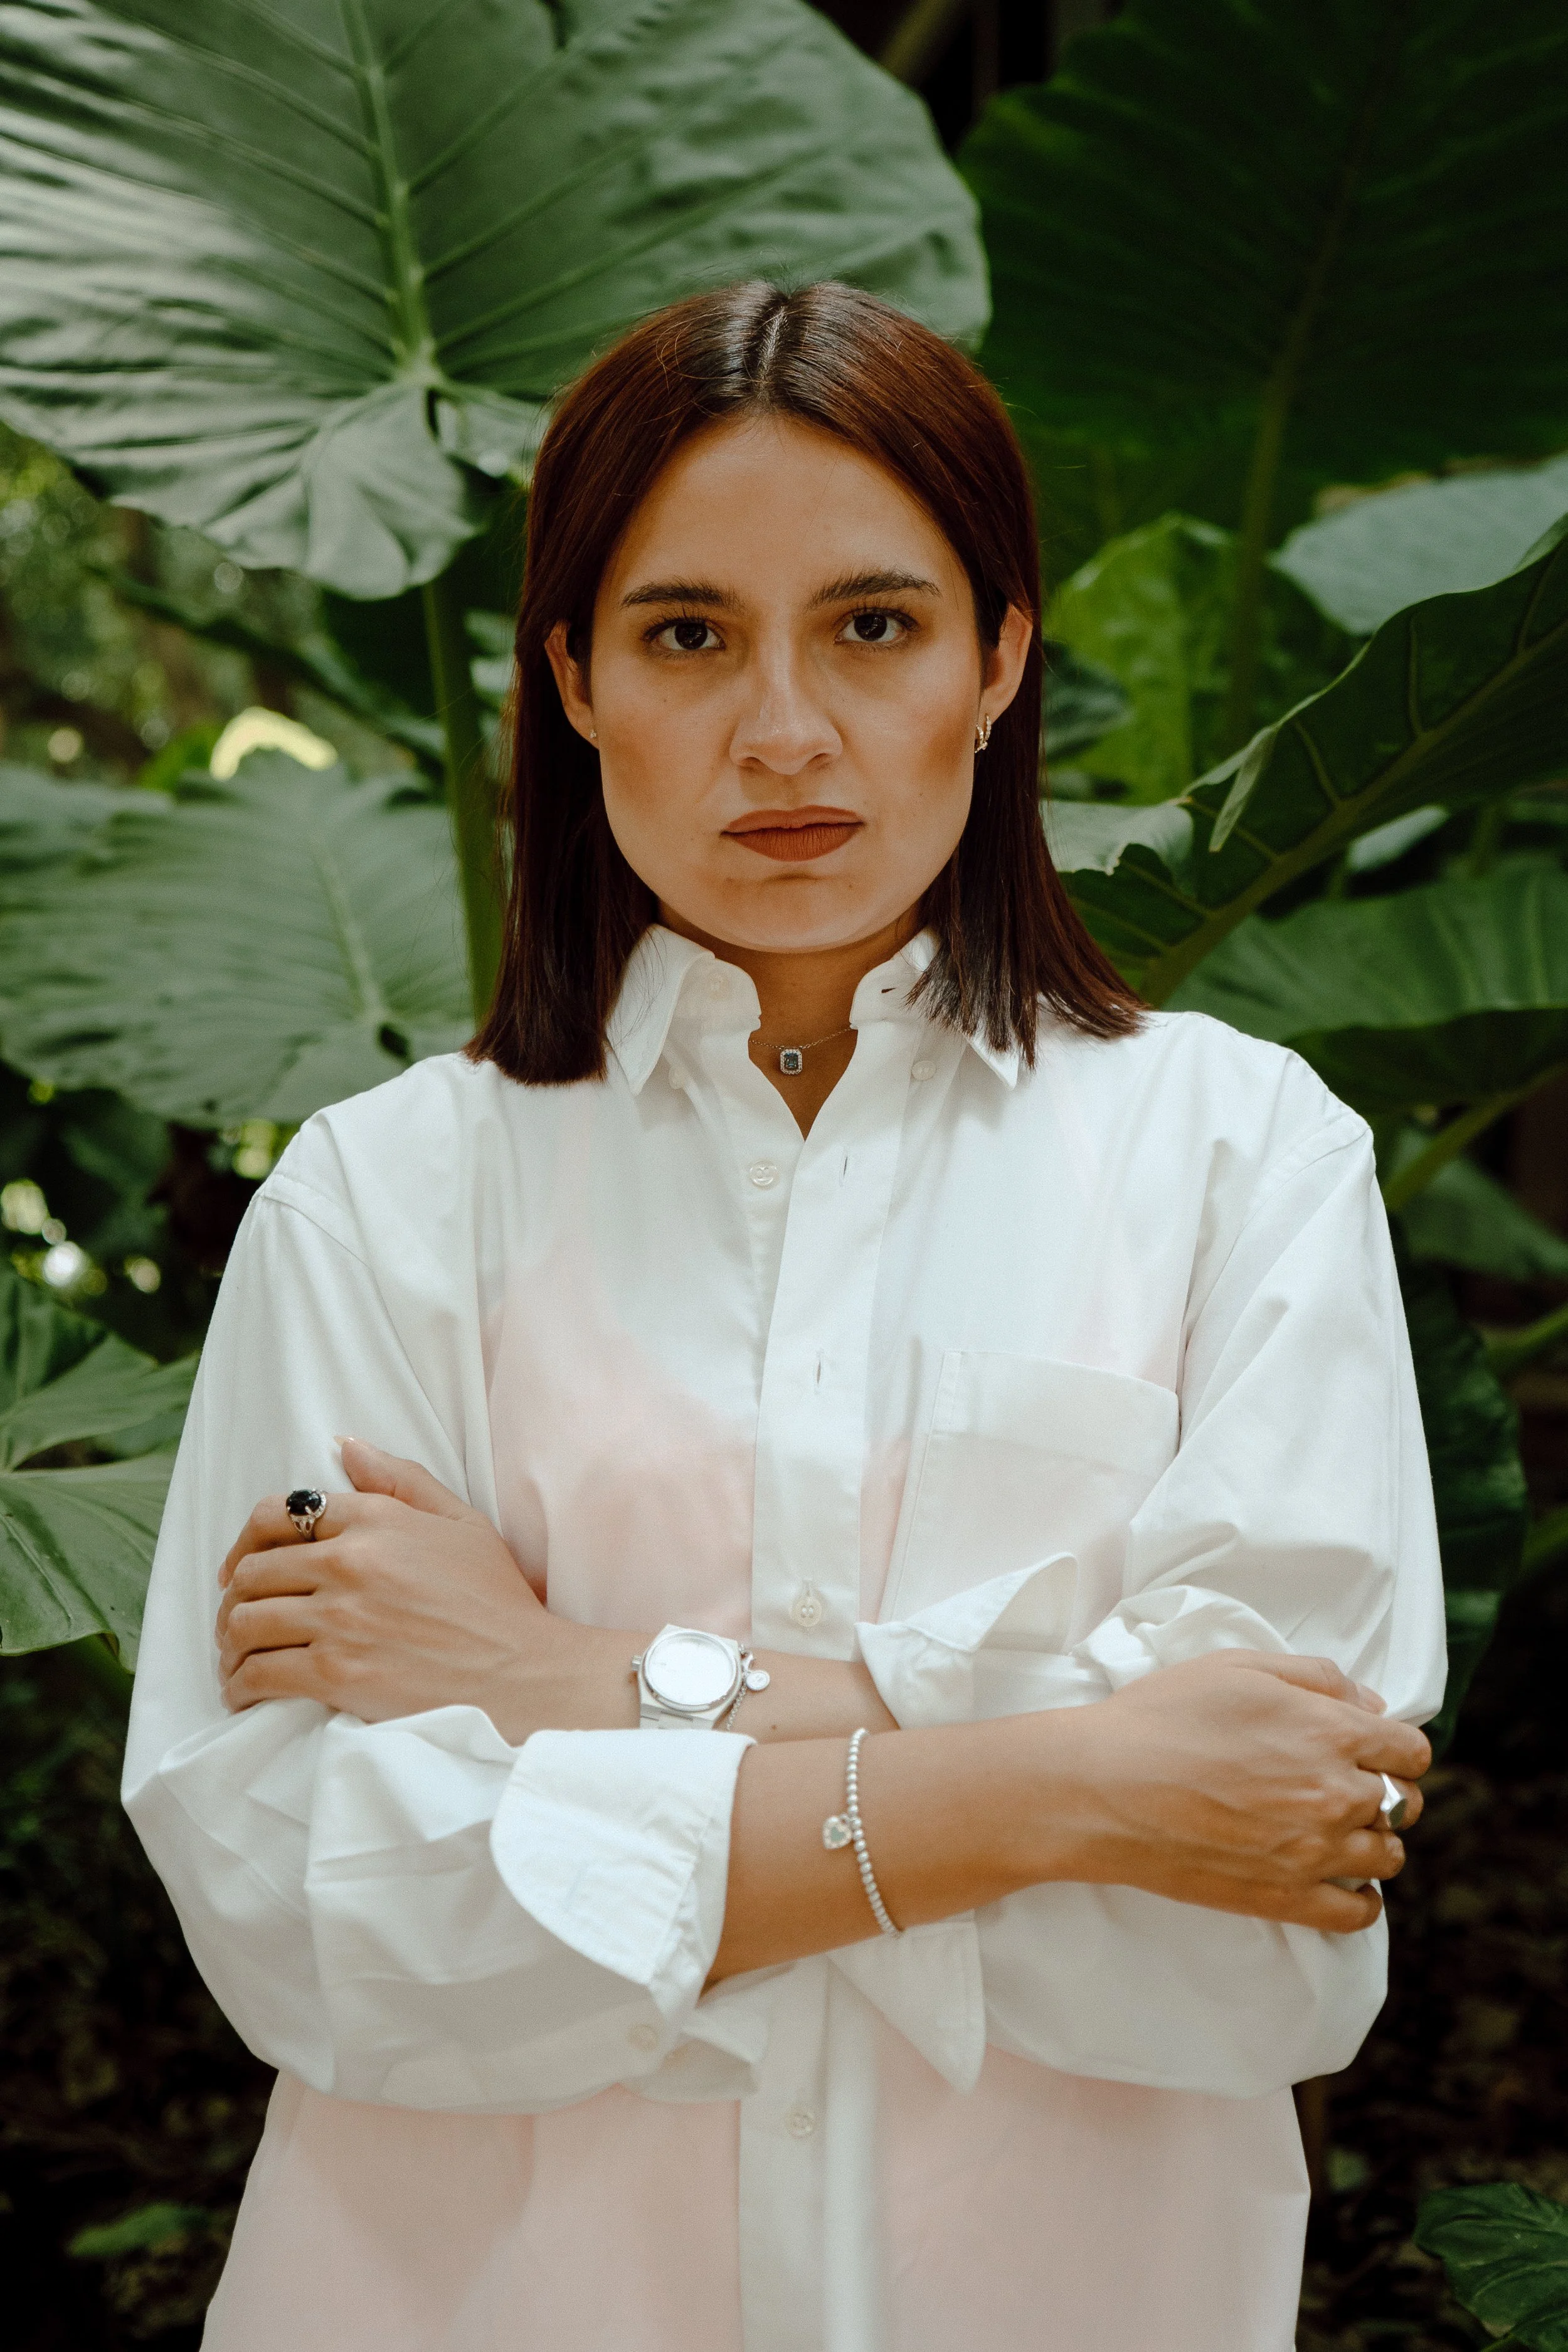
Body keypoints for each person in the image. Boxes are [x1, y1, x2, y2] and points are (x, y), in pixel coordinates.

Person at [123, 281, 1443, 2352]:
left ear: (1000, 656)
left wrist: (563, 1680)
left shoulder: (1238, 1161)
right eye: (685, 635)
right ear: (569, 675)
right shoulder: (382, 1201)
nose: (784, 731)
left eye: (873, 624)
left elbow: (1262, 1921)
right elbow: (321, 1912)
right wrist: (1077, 1776)